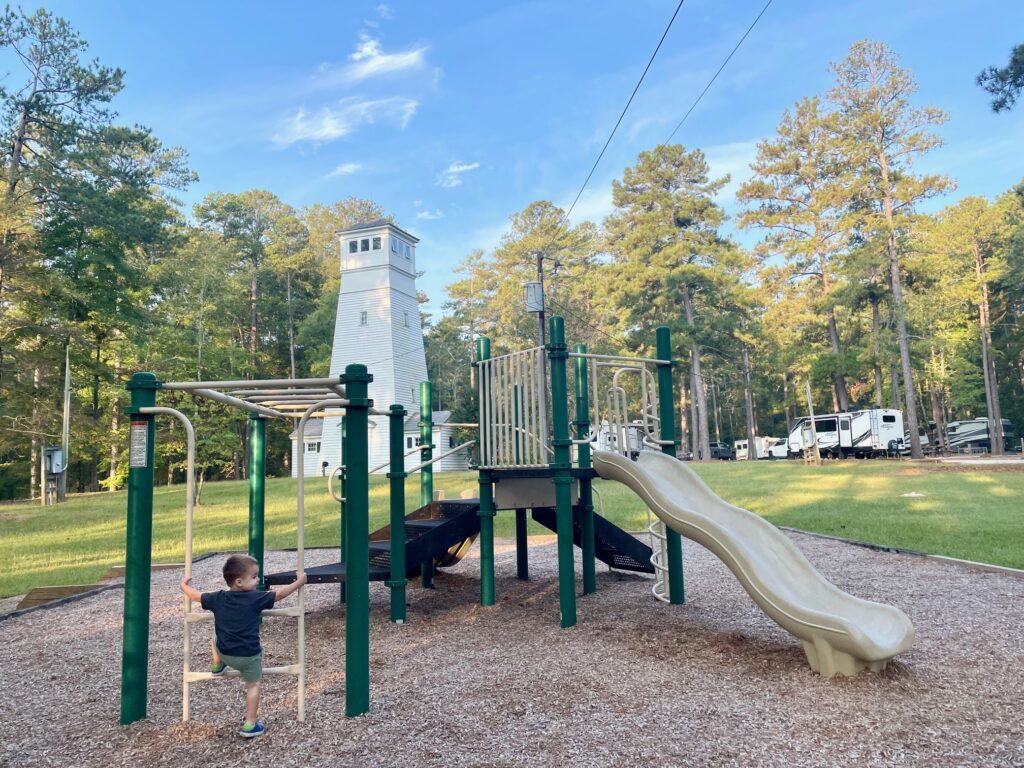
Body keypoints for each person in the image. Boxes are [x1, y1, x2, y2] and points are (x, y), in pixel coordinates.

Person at [180, 554, 307, 738]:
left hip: (226, 653)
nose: (258, 581)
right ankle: (250, 724)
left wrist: (183, 585)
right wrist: (299, 581)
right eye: (254, 577)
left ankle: (217, 665)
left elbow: (196, 596)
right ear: (239, 581)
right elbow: (280, 595)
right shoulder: (255, 598)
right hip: (249, 656)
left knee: (215, 638)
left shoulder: (218, 598)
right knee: (253, 686)